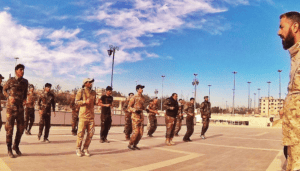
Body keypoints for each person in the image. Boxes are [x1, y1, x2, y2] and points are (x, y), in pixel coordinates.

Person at [278, 11, 300, 171]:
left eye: (281, 27)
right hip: (292, 140)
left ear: (295, 26)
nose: (279, 32)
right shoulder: (295, 57)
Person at [3, 64, 28, 158]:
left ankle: (16, 146)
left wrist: (25, 99)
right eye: (21, 69)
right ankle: (9, 149)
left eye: (23, 70)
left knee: (21, 128)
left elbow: (25, 93)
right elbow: (4, 90)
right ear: (16, 71)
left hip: (20, 109)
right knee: (9, 129)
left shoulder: (25, 82)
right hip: (11, 109)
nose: (22, 71)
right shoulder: (10, 81)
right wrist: (8, 96)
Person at [75, 78, 97, 157]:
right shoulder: (81, 91)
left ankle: (85, 148)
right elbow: (76, 102)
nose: (91, 83)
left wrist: (98, 102)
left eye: (91, 82)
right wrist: (84, 102)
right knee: (81, 133)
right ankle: (78, 148)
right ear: (85, 83)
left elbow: (94, 102)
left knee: (91, 133)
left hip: (91, 116)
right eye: (90, 82)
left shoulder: (94, 92)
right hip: (83, 116)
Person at [127, 85, 145, 150]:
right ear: (137, 89)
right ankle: (130, 144)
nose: (142, 89)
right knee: (136, 132)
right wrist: (134, 110)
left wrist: (146, 109)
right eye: (141, 88)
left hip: (141, 117)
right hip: (135, 117)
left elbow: (142, 106)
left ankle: (135, 144)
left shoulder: (143, 98)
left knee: (141, 133)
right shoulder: (134, 97)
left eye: (142, 88)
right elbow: (129, 107)